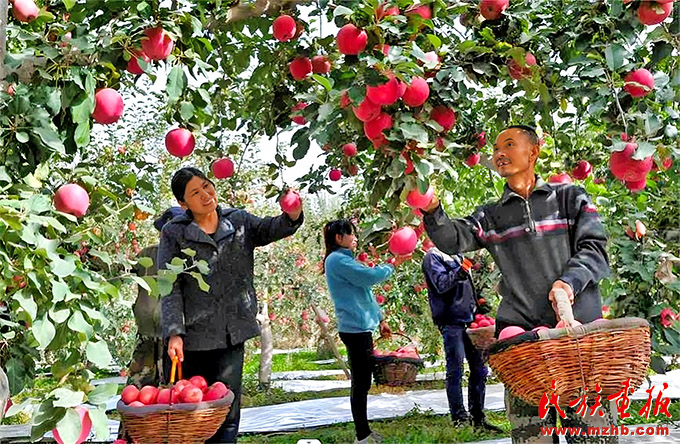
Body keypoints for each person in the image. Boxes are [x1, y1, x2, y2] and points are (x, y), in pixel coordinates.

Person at [421, 125, 617, 443]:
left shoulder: (569, 198)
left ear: (533, 151)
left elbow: (593, 248)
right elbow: (452, 238)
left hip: (578, 341)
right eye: (496, 148)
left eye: (509, 144)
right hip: (524, 349)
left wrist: (567, 285)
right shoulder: (491, 216)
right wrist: (432, 209)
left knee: (594, 437)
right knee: (531, 439)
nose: (499, 153)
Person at [158, 167, 303, 443]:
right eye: (195, 193)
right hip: (192, 338)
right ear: (183, 203)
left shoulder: (239, 221)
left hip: (231, 333)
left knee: (227, 413)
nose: (205, 195)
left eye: (206, 186)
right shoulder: (174, 233)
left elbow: (272, 227)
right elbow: (169, 285)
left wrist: (292, 213)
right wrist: (174, 332)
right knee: (190, 415)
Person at [322, 219, 407, 444]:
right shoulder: (337, 260)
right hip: (354, 330)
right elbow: (370, 278)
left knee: (363, 382)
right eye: (351, 234)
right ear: (339, 238)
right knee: (361, 383)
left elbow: (365, 292)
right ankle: (362, 435)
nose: (355, 238)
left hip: (361, 328)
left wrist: (380, 319)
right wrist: (393, 264)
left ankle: (364, 431)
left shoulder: (344, 260)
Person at [422, 247, 502, 432]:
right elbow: (441, 284)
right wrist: (462, 269)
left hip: (470, 321)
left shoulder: (456, 256)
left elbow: (466, 287)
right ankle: (459, 418)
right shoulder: (433, 257)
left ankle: (478, 418)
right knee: (455, 370)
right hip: (451, 322)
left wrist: (478, 305)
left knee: (480, 370)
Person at [126, 207, 185, 388]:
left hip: (175, 337)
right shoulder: (147, 254)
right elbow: (124, 269)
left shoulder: (188, 260)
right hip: (146, 334)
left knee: (173, 388)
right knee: (138, 389)